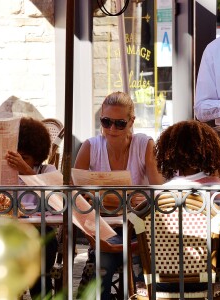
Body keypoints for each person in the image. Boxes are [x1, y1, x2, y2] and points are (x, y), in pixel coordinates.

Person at [74, 91, 164, 299]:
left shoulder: (143, 144)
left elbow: (159, 190)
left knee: (145, 271)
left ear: (131, 121)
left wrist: (146, 198)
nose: (112, 129)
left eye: (120, 123)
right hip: (104, 229)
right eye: (106, 122)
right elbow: (75, 194)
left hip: (140, 228)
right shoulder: (90, 146)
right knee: (103, 267)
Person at [153, 120, 220, 293]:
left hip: (160, 280)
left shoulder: (161, 193)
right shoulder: (215, 188)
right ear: (211, 151)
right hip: (204, 278)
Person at [0, 117, 57, 298]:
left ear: (37, 156)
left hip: (38, 232)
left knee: (42, 269)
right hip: (7, 233)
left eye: (24, 158)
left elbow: (58, 201)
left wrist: (28, 172)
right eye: (13, 156)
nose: (17, 162)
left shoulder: (47, 172)